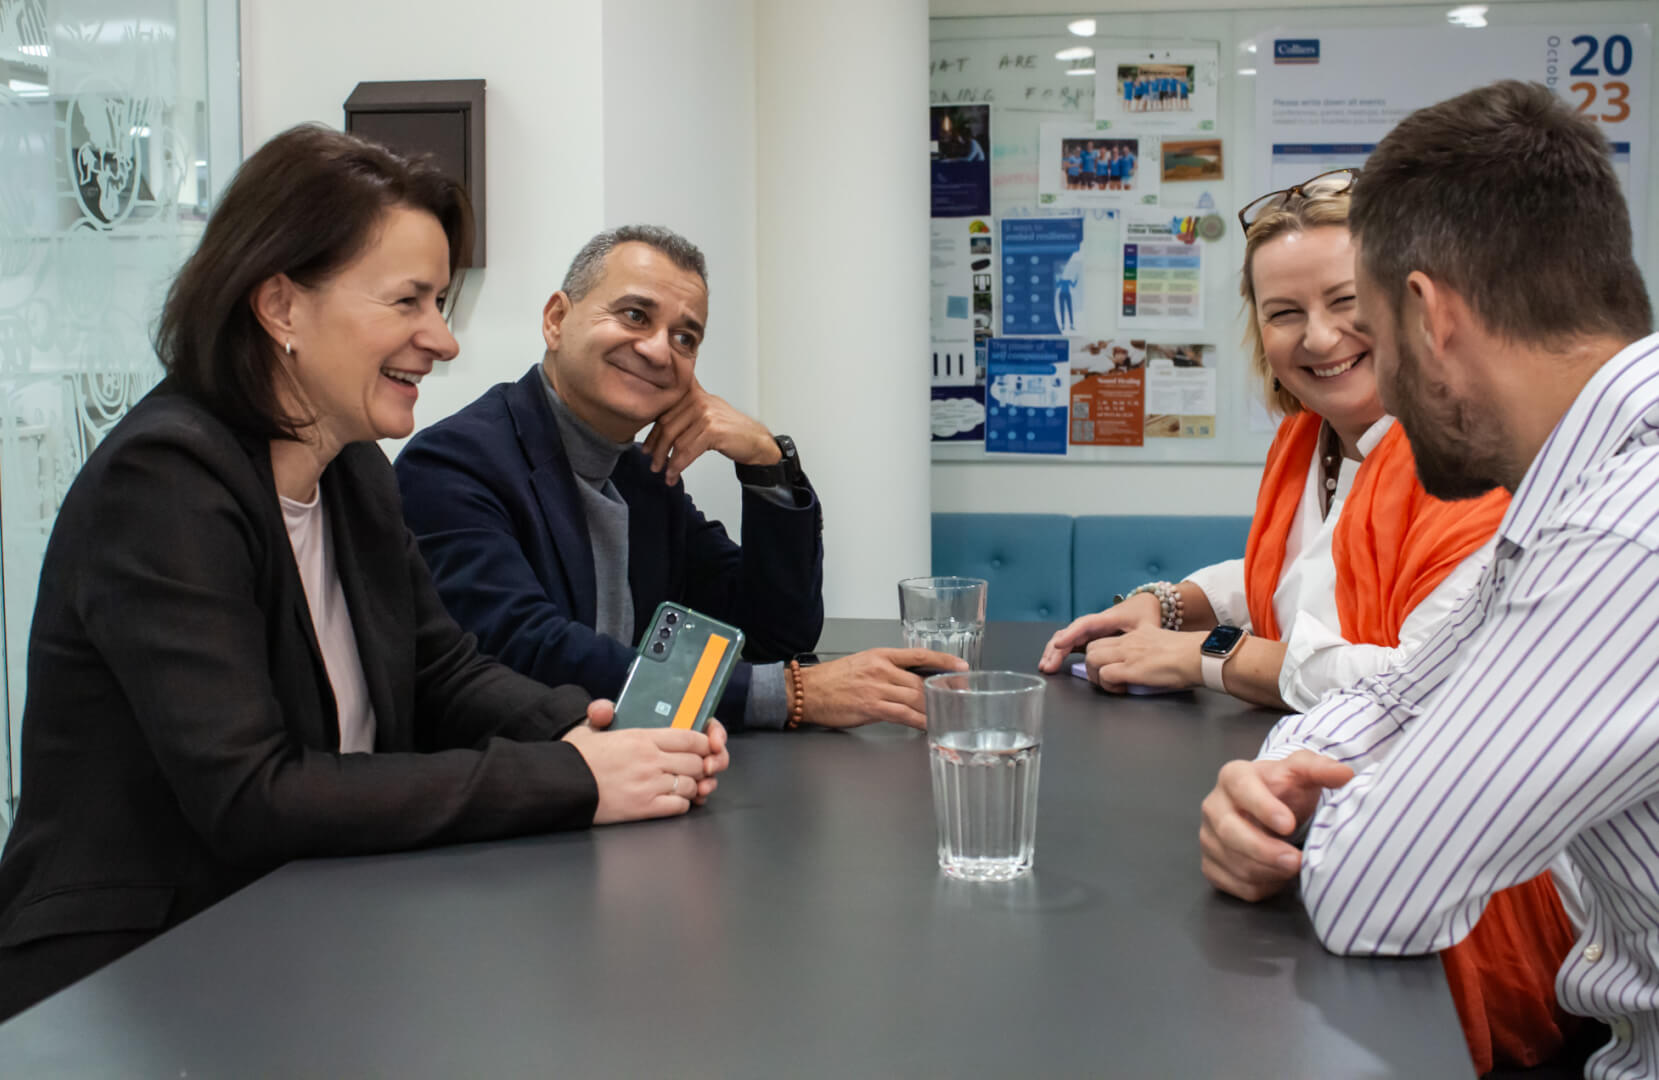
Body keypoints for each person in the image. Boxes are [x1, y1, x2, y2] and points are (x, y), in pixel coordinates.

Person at [0, 127, 729, 1063]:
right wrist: (573, 777)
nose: (445, 336)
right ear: (280, 305)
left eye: (442, 300)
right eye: (409, 301)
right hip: (119, 995)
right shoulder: (165, 478)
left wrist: (594, 732)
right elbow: (253, 793)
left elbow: (444, 671)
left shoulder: (351, 471)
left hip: (293, 945)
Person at [1199, 80, 1658, 1078]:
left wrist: (1299, 814)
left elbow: (1374, 892)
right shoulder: (1581, 484)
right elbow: (1401, 690)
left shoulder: (1631, 530)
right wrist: (1271, 788)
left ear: (1426, 315)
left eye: (1359, 315)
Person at [393, 225, 963, 734]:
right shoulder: (454, 463)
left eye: (685, 338)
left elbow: (774, 633)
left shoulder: (642, 474)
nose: (658, 350)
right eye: (635, 315)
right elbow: (530, 650)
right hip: (514, 806)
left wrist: (766, 463)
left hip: (644, 784)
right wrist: (788, 695)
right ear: (557, 319)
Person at [1039, 171, 1506, 714]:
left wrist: (1208, 657)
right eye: (1284, 312)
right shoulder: (1309, 438)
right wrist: (1170, 606)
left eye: (1347, 301)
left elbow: (1422, 679)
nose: (1319, 337)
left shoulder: (1476, 466)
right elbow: (1305, 570)